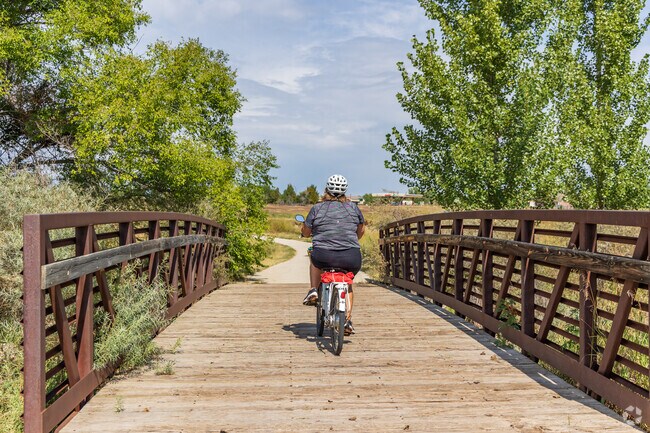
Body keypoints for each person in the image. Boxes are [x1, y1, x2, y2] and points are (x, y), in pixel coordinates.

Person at [300, 174, 365, 335]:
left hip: (324, 255)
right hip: (351, 257)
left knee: (314, 259)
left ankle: (314, 290)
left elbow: (307, 233)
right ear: (345, 191)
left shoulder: (317, 208)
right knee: (348, 282)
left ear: (326, 189)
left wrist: (305, 230)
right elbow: (361, 231)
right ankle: (347, 321)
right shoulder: (353, 208)